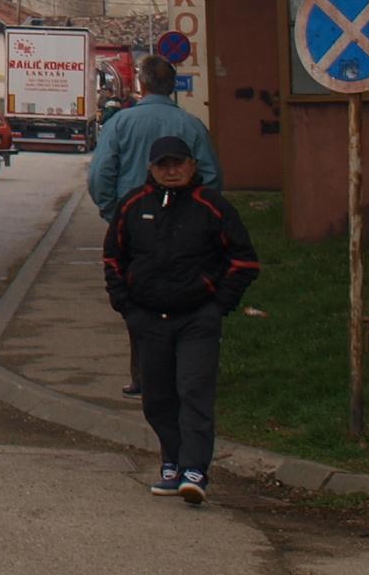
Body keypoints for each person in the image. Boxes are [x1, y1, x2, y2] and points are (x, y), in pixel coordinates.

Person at [102, 137, 259, 503]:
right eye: (163, 165)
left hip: (197, 319)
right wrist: (126, 305)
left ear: (192, 165)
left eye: (178, 164)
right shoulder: (132, 206)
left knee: (193, 390)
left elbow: (244, 261)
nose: (171, 171)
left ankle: (194, 470)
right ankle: (171, 461)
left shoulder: (213, 207)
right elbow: (113, 258)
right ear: (151, 169)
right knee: (157, 397)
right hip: (148, 319)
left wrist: (218, 304)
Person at [89, 53, 220, 396]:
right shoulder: (192, 126)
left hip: (134, 228)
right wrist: (200, 215)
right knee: (184, 290)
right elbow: (212, 176)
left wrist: (113, 213)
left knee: (137, 296)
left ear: (141, 85)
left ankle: (143, 375)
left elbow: (100, 175)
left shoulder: (120, 123)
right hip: (185, 227)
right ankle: (183, 369)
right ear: (172, 86)